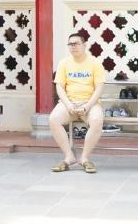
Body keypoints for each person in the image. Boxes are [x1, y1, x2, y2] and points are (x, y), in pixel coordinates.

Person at [48, 32, 106, 174]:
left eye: (76, 43)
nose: (73, 46)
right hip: (69, 103)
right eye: (70, 44)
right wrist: (68, 104)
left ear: (84, 45)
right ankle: (69, 156)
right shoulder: (64, 63)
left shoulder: (95, 63)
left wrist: (87, 106)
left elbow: (99, 88)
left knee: (97, 120)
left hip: (89, 103)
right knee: (53, 119)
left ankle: (84, 158)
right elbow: (59, 87)